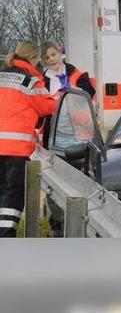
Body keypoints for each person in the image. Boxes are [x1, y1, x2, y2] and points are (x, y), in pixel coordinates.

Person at [0, 41, 55, 237]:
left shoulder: (1, 75)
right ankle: (6, 237)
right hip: (15, 149)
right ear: (33, 59)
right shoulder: (29, 81)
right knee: (13, 195)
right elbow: (47, 107)